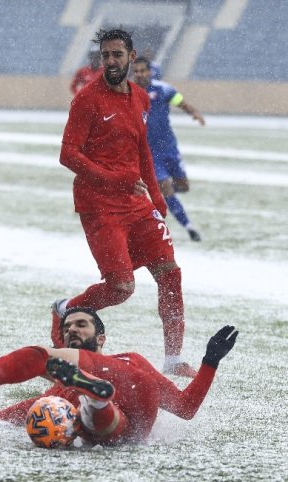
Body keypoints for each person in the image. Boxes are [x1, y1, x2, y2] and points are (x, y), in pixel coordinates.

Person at [55, 28, 197, 377]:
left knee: (170, 274)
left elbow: (142, 150)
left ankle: (173, 360)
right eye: (106, 56)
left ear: (131, 58)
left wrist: (157, 196)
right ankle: (66, 309)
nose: (111, 61)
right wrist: (111, 178)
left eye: (118, 55)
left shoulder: (140, 98)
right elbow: (67, 154)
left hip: (136, 204)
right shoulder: (87, 99)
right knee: (121, 287)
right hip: (98, 204)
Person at [0, 308, 238, 446]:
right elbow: (2, 415)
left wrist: (210, 363)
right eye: (67, 327)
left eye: (81, 325)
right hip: (111, 422)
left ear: (101, 337)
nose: (72, 330)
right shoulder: (60, 386)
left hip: (132, 384)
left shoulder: (128, 358)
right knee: (25, 412)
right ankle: (94, 398)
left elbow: (184, 407)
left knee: (43, 358)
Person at [132, 56, 205, 242]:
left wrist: (195, 113)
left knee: (183, 186)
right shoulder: (129, 93)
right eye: (136, 71)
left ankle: (164, 194)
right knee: (166, 189)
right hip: (150, 154)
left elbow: (182, 102)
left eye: (143, 70)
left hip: (170, 148)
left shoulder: (164, 90)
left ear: (150, 71)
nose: (139, 74)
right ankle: (189, 227)